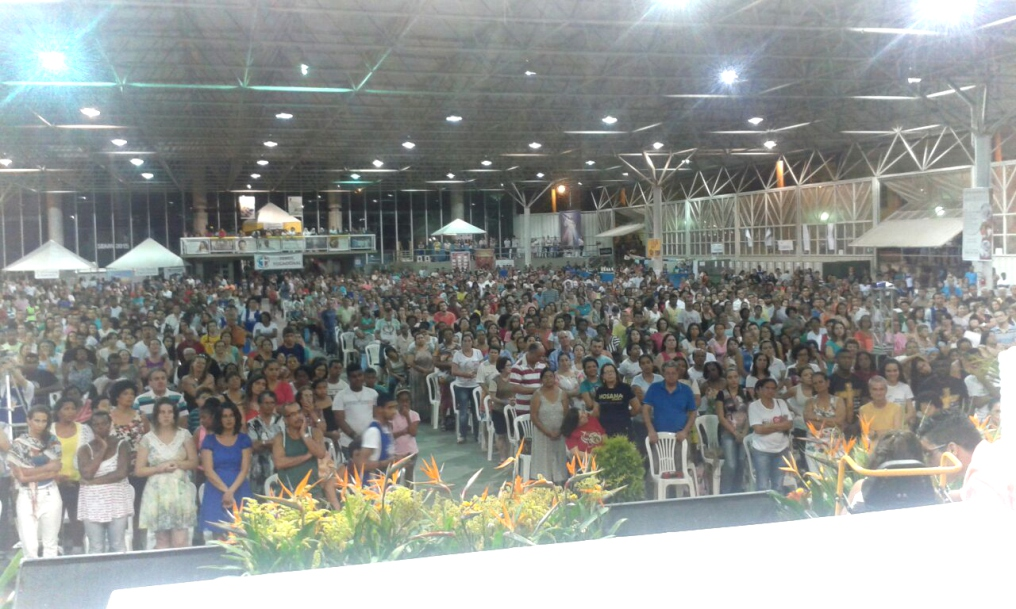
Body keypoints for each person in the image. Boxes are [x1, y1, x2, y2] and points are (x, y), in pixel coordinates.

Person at [134, 398, 198, 549]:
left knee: (180, 540)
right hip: (157, 492)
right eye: (162, 412)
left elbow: (194, 462)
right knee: (161, 541)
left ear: (175, 415)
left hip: (180, 491)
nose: (166, 415)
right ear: (156, 415)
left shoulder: (185, 435)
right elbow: (139, 470)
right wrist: (159, 468)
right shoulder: (148, 438)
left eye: (170, 412)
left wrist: (178, 464)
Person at [8, 405, 62, 558]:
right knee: (29, 545)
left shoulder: (52, 441)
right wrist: (47, 469)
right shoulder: (19, 444)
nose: (40, 424)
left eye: (44, 421)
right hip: (26, 494)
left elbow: (56, 468)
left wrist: (30, 471)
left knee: (51, 543)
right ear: (28, 421)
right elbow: (21, 476)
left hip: (50, 493)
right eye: (37, 420)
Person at [76, 410, 133, 554]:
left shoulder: (122, 445)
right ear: (91, 427)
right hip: (92, 501)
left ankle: (119, 576)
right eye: (96, 424)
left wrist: (94, 482)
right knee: (96, 547)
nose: (100, 427)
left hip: (117, 499)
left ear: (110, 424)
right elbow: (87, 473)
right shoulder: (84, 449)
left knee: (117, 545)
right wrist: (103, 449)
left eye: (104, 424)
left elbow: (121, 473)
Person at [272, 402, 338, 509]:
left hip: (313, 493)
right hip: (288, 494)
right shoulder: (280, 438)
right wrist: (307, 456)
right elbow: (279, 463)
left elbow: (320, 453)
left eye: (299, 412)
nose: (297, 416)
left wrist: (304, 434)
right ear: (285, 420)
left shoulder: (315, 432)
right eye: (292, 414)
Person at [199, 402, 252, 537]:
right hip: (216, 490)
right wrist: (226, 491)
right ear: (219, 419)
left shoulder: (243, 439)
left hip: (239, 488)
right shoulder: (209, 440)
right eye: (224, 416)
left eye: (231, 416)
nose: (228, 419)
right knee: (219, 535)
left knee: (242, 533)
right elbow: (208, 470)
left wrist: (231, 491)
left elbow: (245, 469)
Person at [918, 411, 984, 499]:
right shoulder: (983, 464)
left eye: (928, 453)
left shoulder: (984, 478)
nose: (926, 462)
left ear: (952, 450)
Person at [747, 378, 794, 492]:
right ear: (759, 390)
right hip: (762, 450)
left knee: (778, 484)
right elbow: (758, 429)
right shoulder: (754, 406)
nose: (770, 391)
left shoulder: (781, 403)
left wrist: (767, 425)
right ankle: (764, 509)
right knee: (762, 485)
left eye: (773, 388)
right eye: (767, 388)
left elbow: (789, 424)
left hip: (781, 448)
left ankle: (777, 509)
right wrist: (779, 425)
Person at [529, 369, 568, 483]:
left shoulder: (562, 393)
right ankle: (543, 482)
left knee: (559, 457)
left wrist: (560, 431)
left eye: (551, 376)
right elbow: (534, 416)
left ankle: (559, 481)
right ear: (541, 380)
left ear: (554, 378)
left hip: (560, 433)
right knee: (543, 457)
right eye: (545, 377)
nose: (548, 379)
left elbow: (566, 415)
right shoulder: (537, 394)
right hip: (542, 433)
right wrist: (547, 432)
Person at [333, 363, 378, 459]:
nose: (357, 379)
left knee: (371, 472)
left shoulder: (373, 393)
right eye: (354, 376)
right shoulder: (340, 396)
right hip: (348, 442)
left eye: (360, 375)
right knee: (352, 472)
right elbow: (339, 420)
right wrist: (355, 436)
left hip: (369, 441)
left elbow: (376, 416)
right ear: (348, 378)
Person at [716, 369, 750, 494]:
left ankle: (737, 491)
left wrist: (744, 433)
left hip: (744, 432)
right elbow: (721, 416)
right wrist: (735, 433)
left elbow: (750, 414)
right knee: (731, 464)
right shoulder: (721, 394)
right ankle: (725, 492)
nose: (733, 379)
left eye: (736, 376)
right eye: (730, 377)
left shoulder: (746, 393)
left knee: (741, 462)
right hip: (728, 432)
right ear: (726, 379)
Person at [351, 397, 398, 479]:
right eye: (390, 408)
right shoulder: (373, 432)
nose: (394, 411)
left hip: (384, 482)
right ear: (379, 409)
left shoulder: (387, 428)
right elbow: (362, 464)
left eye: (395, 408)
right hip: (372, 485)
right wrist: (387, 463)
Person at [450, 333, 483, 444]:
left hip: (475, 386)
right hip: (462, 386)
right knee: (463, 411)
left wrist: (476, 373)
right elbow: (453, 371)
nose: (467, 342)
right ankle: (462, 435)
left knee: (476, 411)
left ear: (472, 342)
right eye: (465, 340)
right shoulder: (457, 355)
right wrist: (465, 374)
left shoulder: (478, 353)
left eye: (469, 340)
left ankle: (477, 435)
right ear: (462, 342)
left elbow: (482, 368)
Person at [594, 363, 640, 438]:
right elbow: (596, 411)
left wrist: (626, 415)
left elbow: (637, 407)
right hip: (605, 429)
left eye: (612, 371)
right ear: (602, 376)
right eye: (607, 372)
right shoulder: (600, 390)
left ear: (616, 373)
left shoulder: (625, 388)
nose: (610, 374)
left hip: (624, 427)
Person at [391, 388, 419, 484]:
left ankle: (410, 498)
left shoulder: (414, 415)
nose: (404, 404)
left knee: (409, 479)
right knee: (395, 479)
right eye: (402, 401)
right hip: (396, 453)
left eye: (407, 401)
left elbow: (413, 432)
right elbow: (391, 436)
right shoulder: (392, 415)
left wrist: (407, 416)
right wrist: (403, 431)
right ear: (397, 402)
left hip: (411, 452)